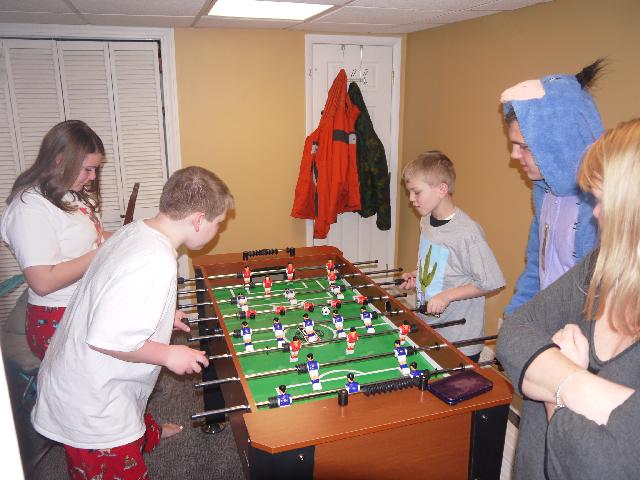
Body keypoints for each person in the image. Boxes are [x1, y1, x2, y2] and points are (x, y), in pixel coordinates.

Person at [31, 166, 234, 479]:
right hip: (93, 408)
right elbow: (107, 338)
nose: (217, 231)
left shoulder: (136, 231)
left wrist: (163, 315)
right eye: (217, 223)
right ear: (197, 220)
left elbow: (113, 295)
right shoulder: (155, 259)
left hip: (81, 382)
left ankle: (145, 437)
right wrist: (169, 354)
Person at [496, 118, 640, 479]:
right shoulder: (601, 264)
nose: (595, 212)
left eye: (602, 200)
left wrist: (557, 393)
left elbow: (601, 466)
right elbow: (514, 333)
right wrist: (583, 387)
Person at [500, 60, 605, 316]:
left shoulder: (603, 206)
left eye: (524, 146)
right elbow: (535, 269)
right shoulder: (542, 191)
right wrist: (513, 320)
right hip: (547, 323)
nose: (514, 155)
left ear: (558, 143)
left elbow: (600, 295)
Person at [1, 120, 107, 360]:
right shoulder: (29, 209)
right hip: (58, 316)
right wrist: (103, 253)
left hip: (84, 303)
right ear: (60, 160)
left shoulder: (69, 195)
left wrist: (130, 236)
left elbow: (93, 237)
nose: (92, 177)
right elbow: (43, 281)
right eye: (88, 169)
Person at [400, 151, 505, 362]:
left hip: (460, 338)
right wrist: (417, 276)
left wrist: (446, 296)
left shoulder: (467, 233)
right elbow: (440, 264)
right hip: (429, 325)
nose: (411, 199)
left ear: (442, 189)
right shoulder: (426, 221)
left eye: (416, 192)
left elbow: (492, 282)